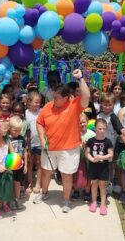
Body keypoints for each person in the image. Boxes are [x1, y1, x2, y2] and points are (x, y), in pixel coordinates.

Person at [34, 69, 90, 213]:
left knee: (66, 174)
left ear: (66, 97)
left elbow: (86, 96)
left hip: (69, 148)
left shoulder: (74, 104)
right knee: (46, 171)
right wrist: (42, 138)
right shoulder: (48, 106)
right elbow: (39, 123)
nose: (54, 100)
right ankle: (44, 193)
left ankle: (66, 200)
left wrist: (81, 79)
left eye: (57, 98)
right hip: (49, 147)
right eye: (53, 97)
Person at [97, 92, 125, 192]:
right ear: (101, 104)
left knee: (109, 166)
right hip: (98, 147)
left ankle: (109, 185)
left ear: (113, 105)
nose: (107, 107)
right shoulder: (98, 115)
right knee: (99, 166)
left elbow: (121, 130)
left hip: (109, 148)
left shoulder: (113, 117)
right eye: (105, 104)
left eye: (109, 105)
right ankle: (99, 184)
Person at [85, 119, 114, 215]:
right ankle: (93, 202)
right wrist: (92, 159)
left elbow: (111, 155)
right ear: (95, 128)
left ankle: (102, 204)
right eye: (99, 128)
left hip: (103, 168)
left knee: (102, 186)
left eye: (104, 129)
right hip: (93, 167)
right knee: (94, 184)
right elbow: (87, 153)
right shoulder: (91, 140)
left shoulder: (108, 141)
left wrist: (102, 157)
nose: (102, 130)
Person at [71, 113, 96, 202]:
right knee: (76, 174)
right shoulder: (74, 133)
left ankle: (87, 191)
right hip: (77, 158)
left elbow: (95, 147)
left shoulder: (92, 134)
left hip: (88, 159)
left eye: (84, 122)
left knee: (88, 175)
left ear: (87, 122)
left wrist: (88, 145)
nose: (82, 124)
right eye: (80, 123)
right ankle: (76, 190)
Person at [8, 116, 28, 210]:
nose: (17, 132)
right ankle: (10, 199)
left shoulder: (22, 138)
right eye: (15, 130)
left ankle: (17, 199)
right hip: (10, 166)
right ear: (10, 129)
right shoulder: (7, 139)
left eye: (19, 130)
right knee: (10, 183)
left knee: (17, 183)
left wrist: (26, 165)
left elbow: (25, 152)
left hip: (20, 165)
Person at [25, 91, 42, 194]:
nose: (38, 104)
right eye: (36, 102)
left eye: (39, 102)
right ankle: (30, 183)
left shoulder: (42, 111)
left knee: (39, 163)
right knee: (30, 163)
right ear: (29, 102)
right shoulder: (26, 113)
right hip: (30, 143)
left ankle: (38, 183)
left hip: (40, 142)